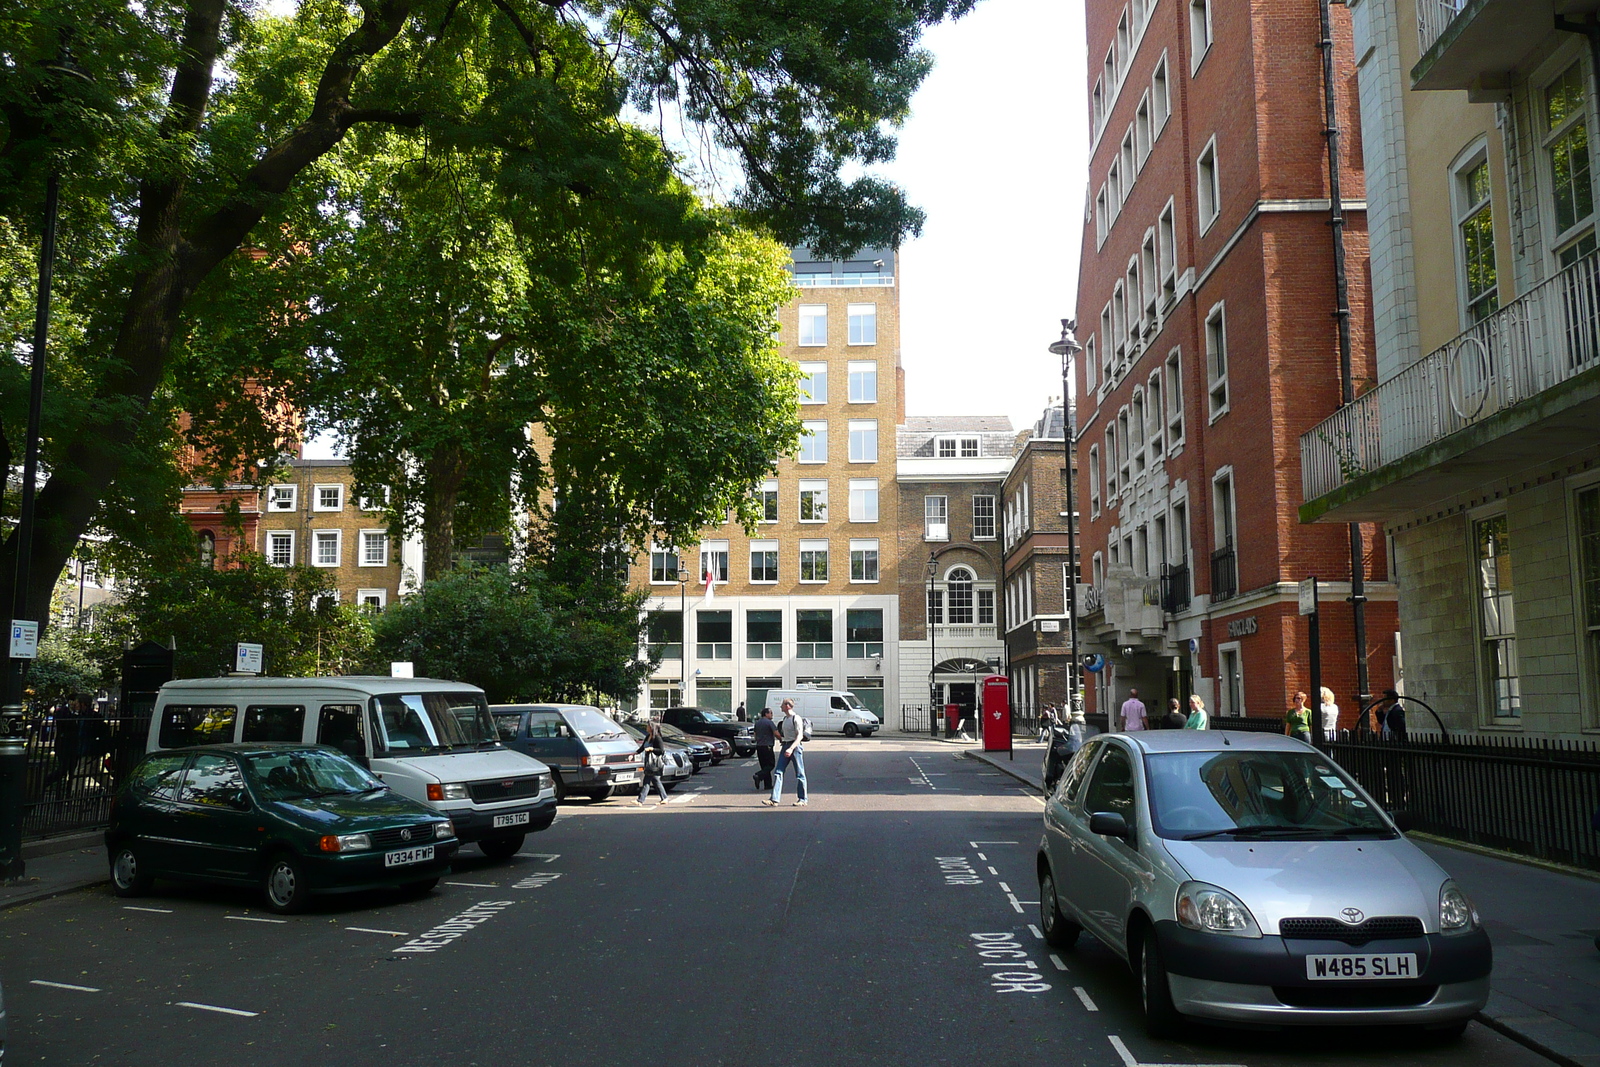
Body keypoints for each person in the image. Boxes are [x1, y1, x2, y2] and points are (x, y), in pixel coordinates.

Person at [763, 698, 808, 807]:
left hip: (795, 747)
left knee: (800, 773)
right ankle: (774, 799)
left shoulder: (796, 718)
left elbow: (799, 736)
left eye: (782, 705)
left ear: (788, 706)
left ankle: (803, 799)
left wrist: (791, 748)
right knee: (778, 772)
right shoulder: (785, 718)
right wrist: (784, 744)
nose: (780, 707)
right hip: (786, 745)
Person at [633, 719, 670, 807]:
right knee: (655, 781)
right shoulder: (647, 737)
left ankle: (640, 800)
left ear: (652, 727)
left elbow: (661, 750)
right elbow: (642, 747)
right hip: (648, 762)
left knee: (647, 781)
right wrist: (634, 754)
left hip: (654, 763)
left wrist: (652, 749)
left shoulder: (657, 738)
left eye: (648, 726)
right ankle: (664, 798)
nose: (647, 727)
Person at [752, 707, 778, 791]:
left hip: (759, 746)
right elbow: (776, 733)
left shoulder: (757, 723)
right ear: (766, 714)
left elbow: (755, 735)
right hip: (768, 746)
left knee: (764, 766)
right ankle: (758, 776)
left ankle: (768, 784)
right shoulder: (769, 723)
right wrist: (781, 739)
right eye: (771, 713)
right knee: (771, 764)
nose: (772, 715)